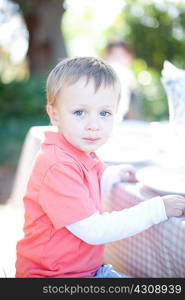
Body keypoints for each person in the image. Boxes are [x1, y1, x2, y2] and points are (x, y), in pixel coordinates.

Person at [15, 57, 185, 278]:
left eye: (104, 113)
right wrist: (156, 209)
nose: (93, 125)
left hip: (83, 271)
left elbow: (82, 192)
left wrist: (111, 176)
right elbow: (94, 230)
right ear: (54, 114)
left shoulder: (76, 151)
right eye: (79, 112)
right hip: (53, 277)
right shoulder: (57, 164)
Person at [104, 40, 142, 122]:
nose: (118, 60)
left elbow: (134, 86)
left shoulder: (127, 72)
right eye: (114, 56)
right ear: (106, 57)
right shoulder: (105, 72)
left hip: (121, 111)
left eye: (121, 56)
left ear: (129, 58)